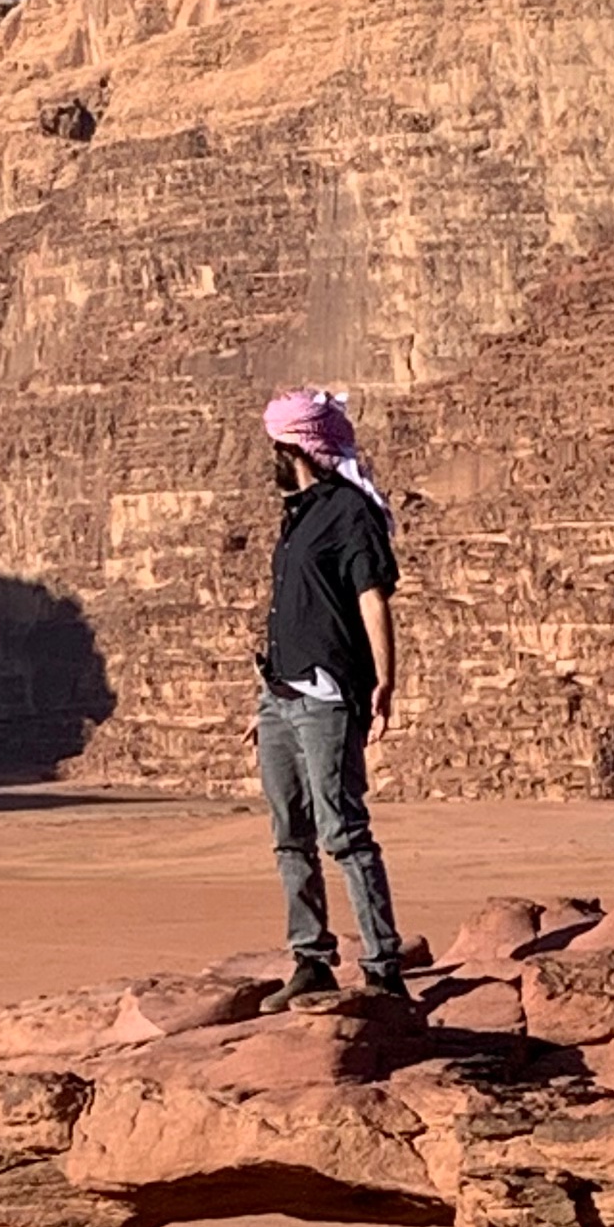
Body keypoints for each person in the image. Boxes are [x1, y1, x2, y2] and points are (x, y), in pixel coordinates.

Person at [251, 385, 410, 1007]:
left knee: (343, 830)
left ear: (294, 447)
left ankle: (382, 967)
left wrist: (385, 681)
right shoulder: (297, 515)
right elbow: (290, 613)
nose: (265, 457)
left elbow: (373, 599)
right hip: (280, 698)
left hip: (327, 698)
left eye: (272, 446)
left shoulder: (349, 513)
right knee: (289, 832)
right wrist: (260, 702)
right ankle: (311, 958)